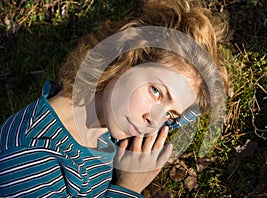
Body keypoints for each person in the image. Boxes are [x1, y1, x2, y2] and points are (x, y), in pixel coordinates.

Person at [0, 0, 231, 197]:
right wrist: (129, 187)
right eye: (156, 91)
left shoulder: (109, 123)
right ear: (126, 58)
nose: (153, 121)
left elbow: (186, 113)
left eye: (170, 114)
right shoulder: (29, 159)